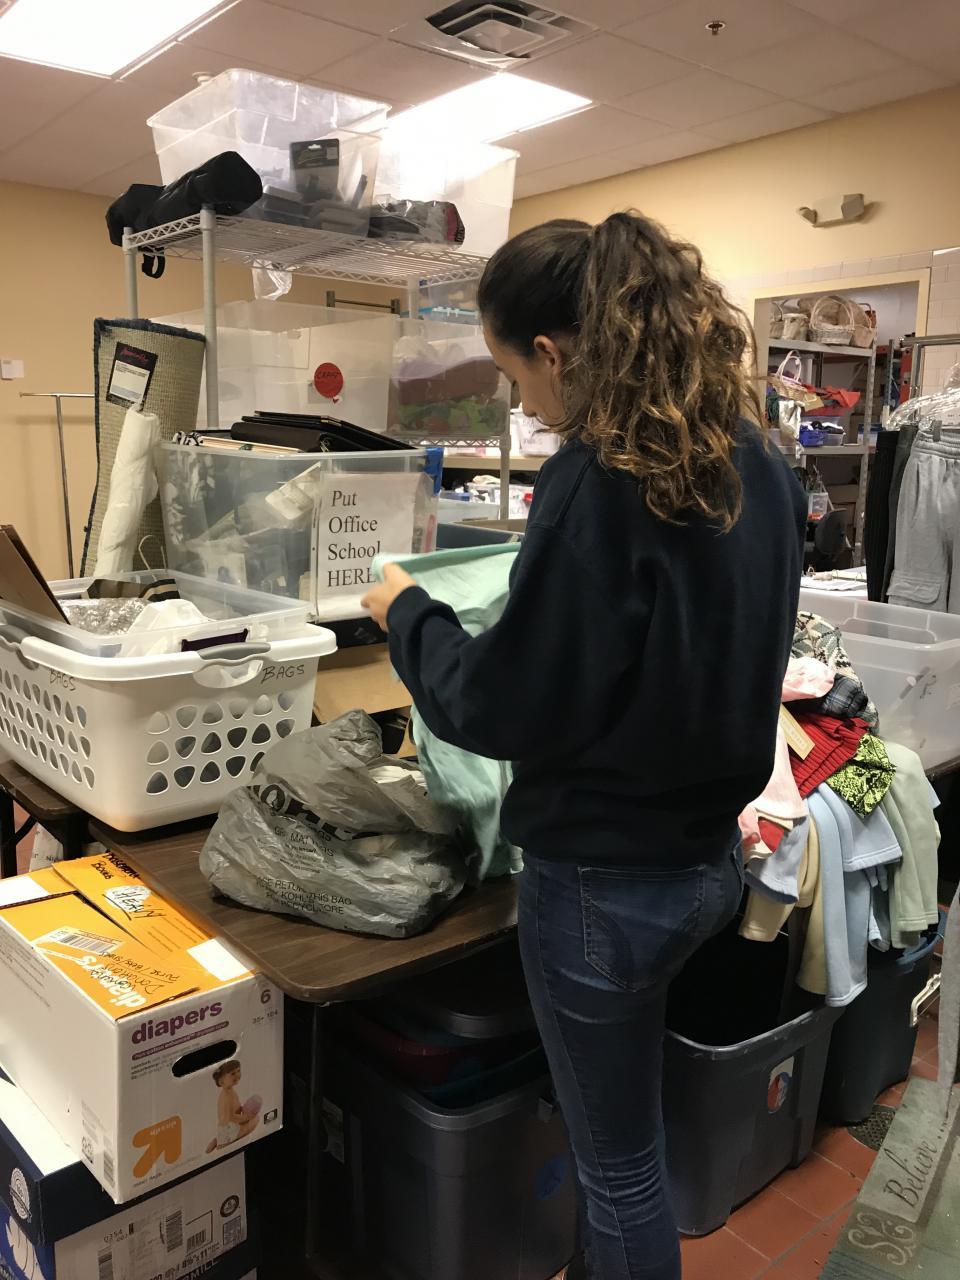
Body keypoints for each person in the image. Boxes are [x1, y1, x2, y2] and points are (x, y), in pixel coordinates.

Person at [362, 212, 806, 1280]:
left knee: (621, 1170)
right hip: (709, 860)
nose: (523, 403)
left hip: (607, 885)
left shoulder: (598, 480)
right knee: (628, 1133)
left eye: (517, 377)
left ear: (554, 352)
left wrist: (409, 614)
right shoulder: (757, 456)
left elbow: (499, 707)